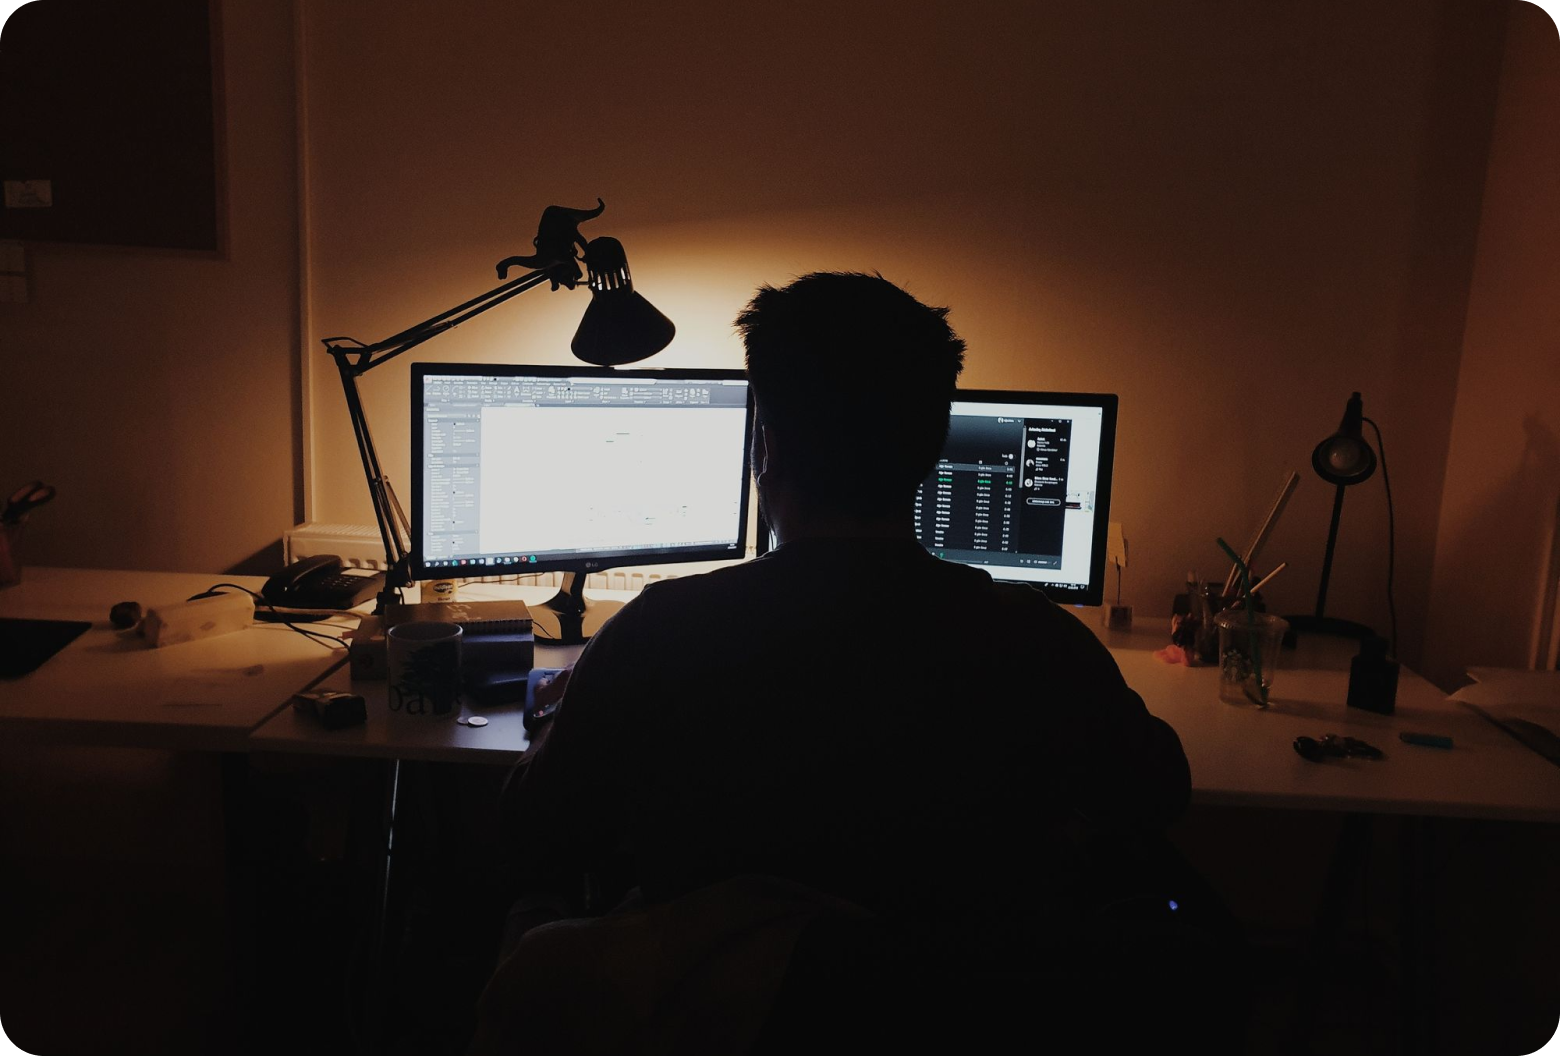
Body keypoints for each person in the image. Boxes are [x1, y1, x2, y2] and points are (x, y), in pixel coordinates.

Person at [472, 273, 1232, 1054]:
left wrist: (571, 710)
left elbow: (530, 832)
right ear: (932, 450)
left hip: (712, 1016)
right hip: (959, 1014)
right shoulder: (1038, 641)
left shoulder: (659, 630)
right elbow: (1157, 793)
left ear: (765, 446)